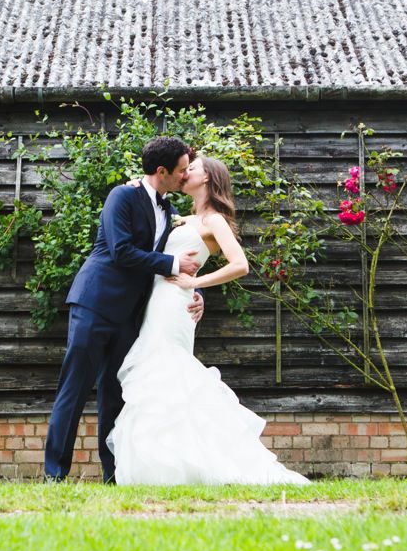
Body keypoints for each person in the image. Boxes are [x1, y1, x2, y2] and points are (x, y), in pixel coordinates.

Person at [106, 155, 310, 486]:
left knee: (166, 369)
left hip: (174, 306)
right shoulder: (178, 217)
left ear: (207, 179)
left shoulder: (214, 221)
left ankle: (183, 464)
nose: (184, 173)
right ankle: (165, 462)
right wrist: (134, 184)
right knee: (157, 374)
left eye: (192, 169)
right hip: (155, 303)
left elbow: (240, 265)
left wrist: (196, 286)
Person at [43, 136, 204, 481]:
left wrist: (195, 291)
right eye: (180, 170)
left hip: (131, 316)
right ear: (161, 171)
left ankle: (112, 476)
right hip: (95, 303)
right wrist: (173, 264)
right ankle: (54, 475)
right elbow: (121, 251)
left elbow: (183, 260)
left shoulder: (171, 212)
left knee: (115, 397)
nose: (184, 176)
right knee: (74, 389)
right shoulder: (122, 196)